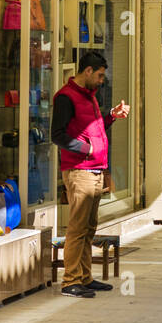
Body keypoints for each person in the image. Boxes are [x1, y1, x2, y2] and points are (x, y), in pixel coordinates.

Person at [51, 50, 130, 298]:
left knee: (89, 227)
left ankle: (84, 277)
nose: (101, 80)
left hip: (94, 169)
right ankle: (70, 281)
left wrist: (111, 117)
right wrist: (87, 149)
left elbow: (92, 130)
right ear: (87, 71)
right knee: (77, 228)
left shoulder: (89, 96)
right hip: (79, 170)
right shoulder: (66, 97)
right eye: (99, 75)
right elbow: (58, 135)